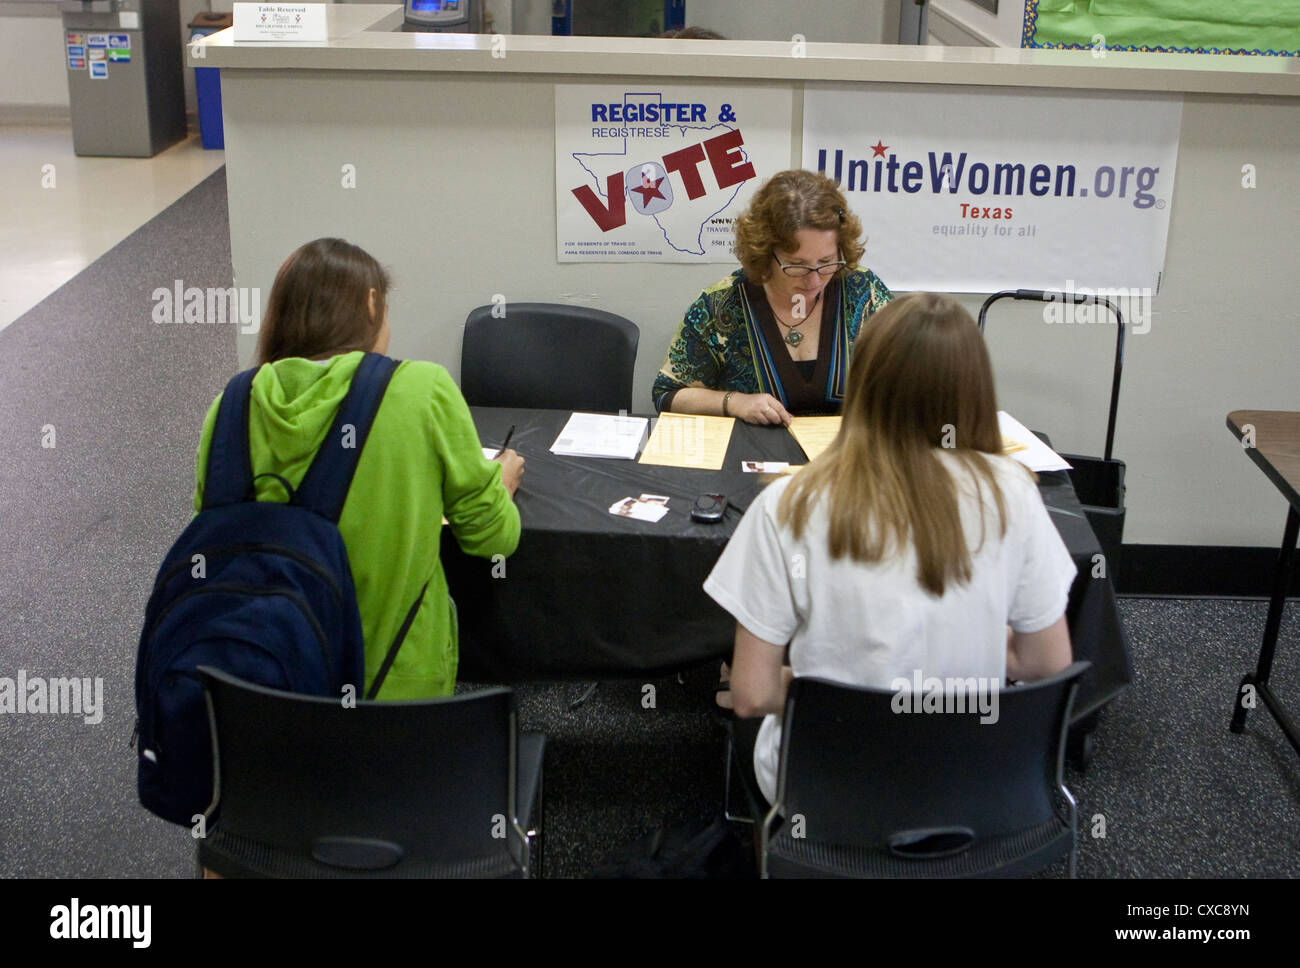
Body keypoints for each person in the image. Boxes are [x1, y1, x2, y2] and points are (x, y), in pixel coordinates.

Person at [703, 293, 1076, 808]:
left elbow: (749, 695)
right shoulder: (1013, 493)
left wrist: (828, 688)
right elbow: (1047, 664)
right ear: (974, 389)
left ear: (864, 384)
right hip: (972, 788)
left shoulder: (788, 504)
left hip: (826, 793)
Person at [192, 238, 524, 700]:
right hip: (394, 694)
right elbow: (492, 538)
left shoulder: (228, 408)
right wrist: (500, 483)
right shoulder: (421, 390)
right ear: (372, 303)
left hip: (255, 695)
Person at [652, 169, 893, 425]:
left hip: (845, 458)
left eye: (826, 262)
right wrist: (734, 402)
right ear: (765, 253)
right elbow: (667, 395)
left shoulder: (863, 291)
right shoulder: (722, 304)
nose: (814, 280)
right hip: (750, 457)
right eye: (796, 265)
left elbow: (908, 378)